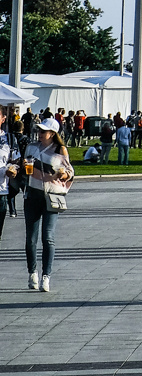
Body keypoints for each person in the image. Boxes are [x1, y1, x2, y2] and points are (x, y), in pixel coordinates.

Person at [15, 118, 72, 292]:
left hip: (52, 196)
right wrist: (23, 167)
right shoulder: (31, 147)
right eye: (39, 130)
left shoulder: (60, 150)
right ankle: (32, 273)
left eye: (43, 131)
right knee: (30, 239)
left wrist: (63, 175)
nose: (40, 133)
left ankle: (46, 276)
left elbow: (69, 171)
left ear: (52, 134)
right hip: (32, 194)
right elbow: (22, 165)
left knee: (48, 237)